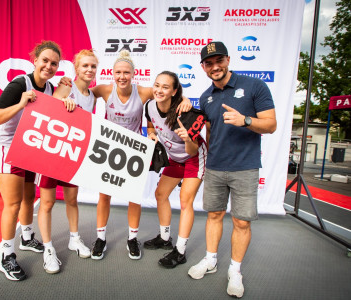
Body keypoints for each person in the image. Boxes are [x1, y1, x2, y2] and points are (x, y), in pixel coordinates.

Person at [187, 41, 277, 298]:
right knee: (214, 216)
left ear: (227, 60)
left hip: (244, 167)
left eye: (219, 61)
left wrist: (245, 120)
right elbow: (209, 131)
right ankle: (211, 260)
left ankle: (235, 270)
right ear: (203, 67)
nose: (214, 67)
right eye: (209, 63)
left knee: (240, 221)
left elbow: (271, 124)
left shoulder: (254, 86)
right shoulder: (206, 97)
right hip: (215, 166)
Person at [87, 50, 193, 260]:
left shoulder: (143, 92)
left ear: (133, 74)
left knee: (133, 197)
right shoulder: (105, 90)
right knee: (104, 196)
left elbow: (168, 93)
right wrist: (65, 85)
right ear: (112, 73)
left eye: (126, 72)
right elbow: (81, 90)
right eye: (118, 72)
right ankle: (101, 238)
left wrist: (186, 99)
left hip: (134, 150)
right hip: (109, 149)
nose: (122, 76)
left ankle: (132, 238)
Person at [0, 40, 74, 281]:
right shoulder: (19, 84)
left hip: (30, 149)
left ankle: (26, 237)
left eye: (54, 63)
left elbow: (53, 107)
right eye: (44, 60)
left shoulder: (48, 88)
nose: (48, 66)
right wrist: (21, 103)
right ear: (34, 60)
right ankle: (6, 256)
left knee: (28, 199)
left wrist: (66, 94)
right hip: (10, 149)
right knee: (12, 204)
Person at [33, 49, 99, 274]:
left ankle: (74, 238)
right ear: (76, 68)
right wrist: (63, 103)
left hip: (72, 155)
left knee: (72, 200)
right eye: (85, 66)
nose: (89, 70)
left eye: (93, 66)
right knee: (48, 203)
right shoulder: (66, 86)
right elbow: (47, 107)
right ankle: (48, 248)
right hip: (51, 155)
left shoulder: (92, 96)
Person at [144, 71, 207, 268]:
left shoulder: (185, 112)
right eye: (157, 85)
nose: (159, 90)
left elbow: (193, 148)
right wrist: (152, 135)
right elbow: (151, 125)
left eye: (165, 87)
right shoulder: (149, 106)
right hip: (174, 158)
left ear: (174, 91)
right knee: (160, 194)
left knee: (185, 201)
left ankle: (180, 251)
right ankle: (164, 238)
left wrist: (188, 138)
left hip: (194, 157)